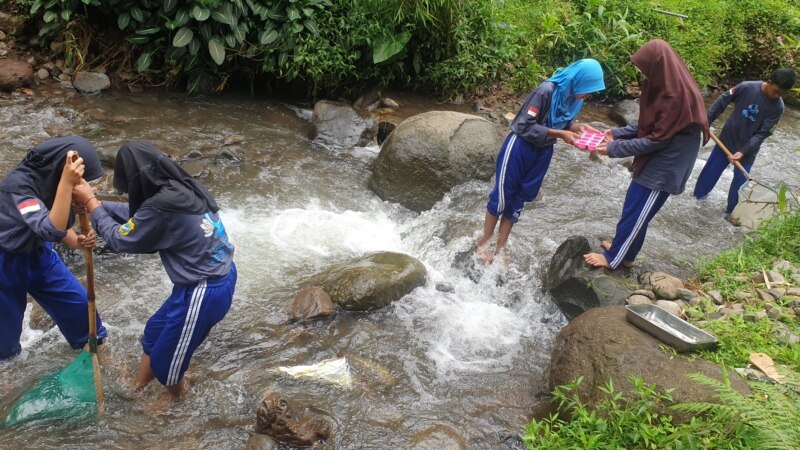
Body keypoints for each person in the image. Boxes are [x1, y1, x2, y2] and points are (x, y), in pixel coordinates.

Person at [73, 141, 236, 396]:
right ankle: (138, 389)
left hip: (205, 290)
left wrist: (92, 204)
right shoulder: (179, 189)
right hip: (206, 279)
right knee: (153, 333)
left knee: (166, 365)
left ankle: (178, 400)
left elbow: (120, 239)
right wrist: (99, 206)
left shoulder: (162, 206)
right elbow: (138, 215)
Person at [584, 39, 709, 269]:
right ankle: (626, 252)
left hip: (667, 164)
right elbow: (647, 124)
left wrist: (613, 148)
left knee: (637, 212)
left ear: (658, 66)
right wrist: (617, 134)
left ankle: (615, 259)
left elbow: (656, 140)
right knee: (634, 209)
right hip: (662, 155)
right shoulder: (667, 85)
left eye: (645, 69)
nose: (642, 74)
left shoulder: (675, 97)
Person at [477, 59, 605, 263]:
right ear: (577, 80)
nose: (589, 95)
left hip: (543, 151)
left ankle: (500, 249)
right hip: (519, 147)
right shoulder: (546, 91)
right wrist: (561, 134)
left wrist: (576, 127)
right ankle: (484, 243)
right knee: (502, 196)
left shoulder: (575, 98)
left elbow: (564, 121)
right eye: (588, 89)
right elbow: (524, 125)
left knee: (519, 200)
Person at [0, 136, 108, 359]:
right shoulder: (19, 188)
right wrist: (67, 185)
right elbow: (50, 228)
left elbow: (52, 227)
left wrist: (76, 241)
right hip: (5, 263)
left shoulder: (53, 182)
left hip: (39, 254)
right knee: (5, 339)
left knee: (80, 307)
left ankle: (98, 353)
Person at [693, 68, 797, 216]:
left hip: (747, 152)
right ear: (769, 82)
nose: (778, 96)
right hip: (726, 142)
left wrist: (742, 152)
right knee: (703, 185)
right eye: (776, 91)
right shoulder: (746, 87)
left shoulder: (778, 107)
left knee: (738, 192)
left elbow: (763, 134)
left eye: (782, 93)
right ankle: (696, 208)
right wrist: (707, 123)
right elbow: (721, 102)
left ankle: (730, 216)